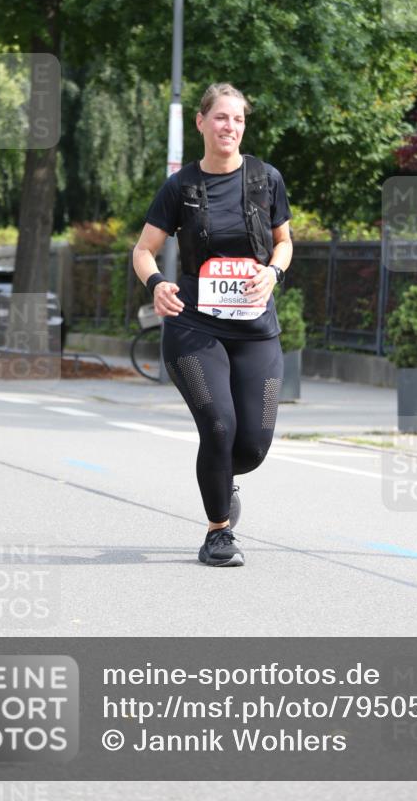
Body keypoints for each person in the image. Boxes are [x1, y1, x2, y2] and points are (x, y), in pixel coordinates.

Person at [133, 83, 293, 567]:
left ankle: (223, 480)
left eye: (238, 119)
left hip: (255, 329)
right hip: (194, 326)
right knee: (219, 426)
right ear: (201, 122)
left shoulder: (266, 179)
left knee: (253, 445)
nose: (230, 127)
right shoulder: (180, 186)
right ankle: (218, 533)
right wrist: (157, 282)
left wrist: (273, 272)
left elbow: (284, 242)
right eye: (221, 117)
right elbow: (143, 250)